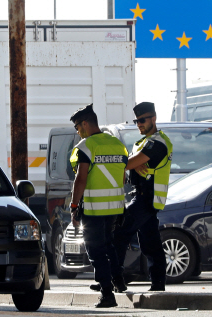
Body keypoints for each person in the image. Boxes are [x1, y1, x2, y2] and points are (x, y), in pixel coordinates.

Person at [69, 104, 127, 308]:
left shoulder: (86, 146)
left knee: (96, 251)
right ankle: (118, 281)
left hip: (94, 209)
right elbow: (122, 176)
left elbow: (80, 179)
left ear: (85, 124)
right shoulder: (117, 144)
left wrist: (74, 205)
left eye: (77, 127)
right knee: (109, 244)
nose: (77, 132)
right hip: (115, 207)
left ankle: (107, 294)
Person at [111, 102, 172, 293]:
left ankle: (115, 279)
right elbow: (131, 165)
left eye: (143, 120)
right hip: (143, 197)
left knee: (119, 232)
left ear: (154, 118)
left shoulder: (158, 143)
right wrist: (132, 165)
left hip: (147, 198)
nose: (139, 124)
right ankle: (158, 284)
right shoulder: (142, 143)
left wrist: (131, 164)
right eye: (137, 121)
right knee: (150, 243)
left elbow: (128, 163)